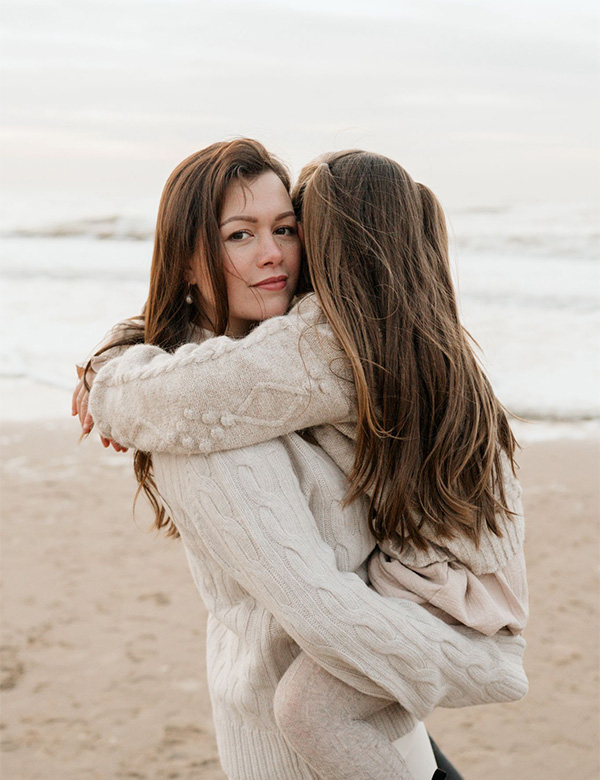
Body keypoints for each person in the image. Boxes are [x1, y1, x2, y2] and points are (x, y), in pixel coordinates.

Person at [75, 141, 527, 780]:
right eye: (240, 234)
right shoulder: (218, 416)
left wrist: (113, 361)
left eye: (286, 230)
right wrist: (114, 361)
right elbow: (323, 614)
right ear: (188, 258)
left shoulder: (319, 347)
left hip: (389, 725)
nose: (273, 254)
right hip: (305, 749)